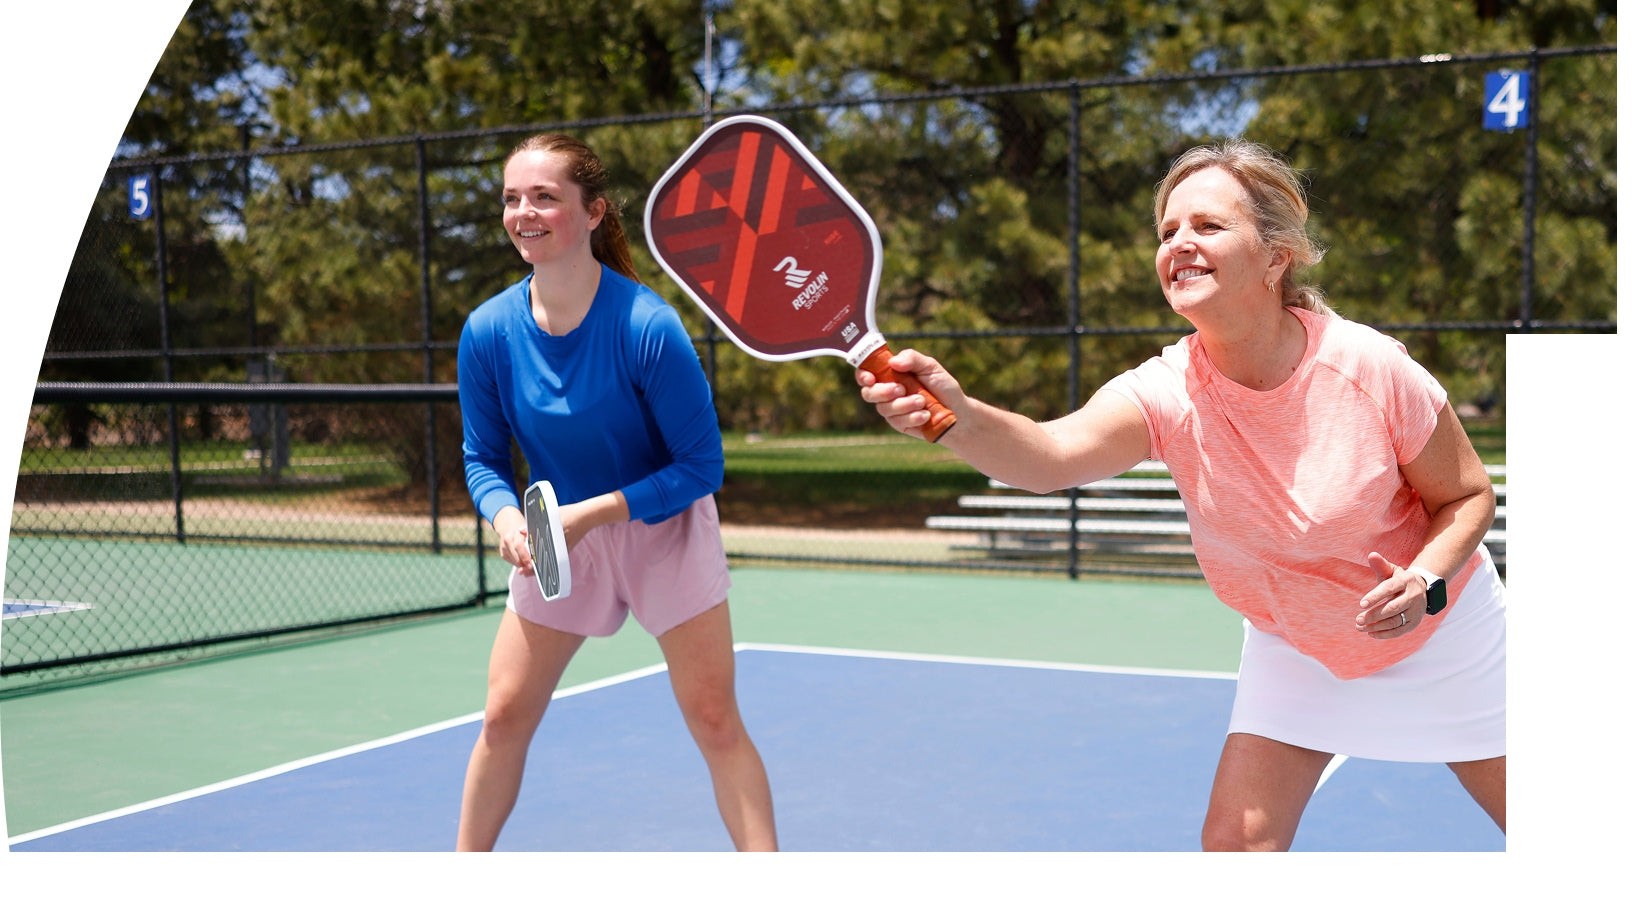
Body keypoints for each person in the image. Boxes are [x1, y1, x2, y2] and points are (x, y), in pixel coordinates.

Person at [858, 139, 1505, 851]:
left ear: (1275, 256)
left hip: (1445, 637)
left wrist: (1425, 583)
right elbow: (1048, 458)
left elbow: (1468, 495)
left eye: (1208, 226)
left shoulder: (1369, 367)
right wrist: (959, 417)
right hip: (1296, 642)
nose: (1181, 244)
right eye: (1168, 232)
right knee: (1234, 848)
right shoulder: (1165, 390)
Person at [455, 133, 777, 851]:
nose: (524, 212)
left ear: (594, 211)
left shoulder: (648, 326)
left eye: (544, 196)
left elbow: (701, 467)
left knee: (715, 719)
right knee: (503, 715)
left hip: (662, 527)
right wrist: (508, 518)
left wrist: (593, 515)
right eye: (512, 198)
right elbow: (481, 458)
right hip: (555, 533)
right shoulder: (486, 332)